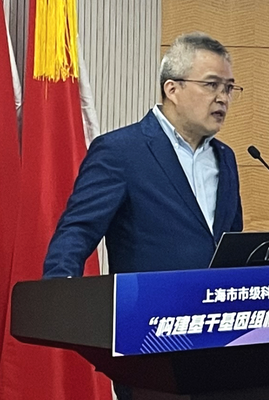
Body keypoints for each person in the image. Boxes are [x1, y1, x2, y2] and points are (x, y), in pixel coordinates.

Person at [42, 32, 244, 279]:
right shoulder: (120, 151)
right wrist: (58, 290)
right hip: (147, 301)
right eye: (211, 85)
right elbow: (78, 231)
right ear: (172, 89)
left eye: (229, 88)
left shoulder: (225, 157)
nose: (223, 98)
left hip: (213, 300)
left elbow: (229, 241)